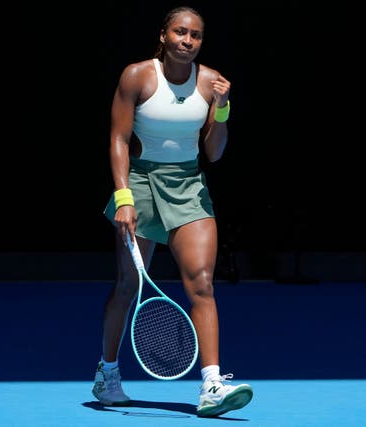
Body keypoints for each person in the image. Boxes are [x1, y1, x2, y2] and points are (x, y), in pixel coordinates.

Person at [92, 6, 253, 418]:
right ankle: (107, 373)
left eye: (195, 35)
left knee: (201, 282)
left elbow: (213, 153)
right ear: (163, 35)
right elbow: (118, 139)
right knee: (127, 285)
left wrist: (222, 108)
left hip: (189, 187)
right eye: (180, 32)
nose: (187, 40)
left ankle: (212, 385)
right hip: (140, 184)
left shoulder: (210, 82)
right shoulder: (137, 76)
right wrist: (124, 198)